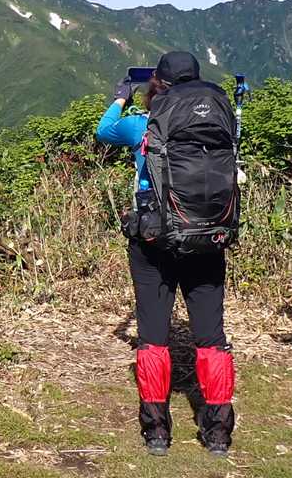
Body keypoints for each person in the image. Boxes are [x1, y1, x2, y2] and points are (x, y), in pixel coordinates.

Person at [96, 51, 235, 457]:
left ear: (157, 83)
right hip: (208, 237)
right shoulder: (221, 119)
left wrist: (121, 96)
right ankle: (218, 432)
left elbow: (104, 130)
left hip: (153, 241)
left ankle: (157, 430)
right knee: (211, 338)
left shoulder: (143, 125)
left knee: (153, 336)